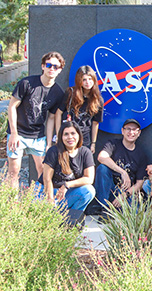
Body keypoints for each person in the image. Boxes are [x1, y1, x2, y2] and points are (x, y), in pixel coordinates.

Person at [6, 51, 65, 189]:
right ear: (43, 66)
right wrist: (14, 133)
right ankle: (13, 205)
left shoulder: (58, 92)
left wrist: (49, 143)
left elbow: (51, 118)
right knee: (14, 171)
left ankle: (40, 203)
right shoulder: (27, 83)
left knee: (43, 171)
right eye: (49, 65)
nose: (52, 69)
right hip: (18, 133)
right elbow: (12, 107)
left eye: (55, 67)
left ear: (60, 70)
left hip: (38, 136)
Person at [37, 121, 95, 211]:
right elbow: (47, 179)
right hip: (46, 190)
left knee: (89, 191)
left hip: (67, 192)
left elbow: (89, 178)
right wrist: (50, 199)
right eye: (66, 134)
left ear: (79, 135)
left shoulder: (85, 152)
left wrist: (67, 185)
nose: (70, 137)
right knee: (40, 215)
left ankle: (70, 219)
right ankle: (56, 215)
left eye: (73, 133)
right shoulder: (53, 151)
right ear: (61, 137)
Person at [94, 119, 148, 209]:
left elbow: (139, 183)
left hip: (126, 193)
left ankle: (114, 209)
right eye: (128, 129)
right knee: (102, 168)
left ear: (139, 133)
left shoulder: (141, 154)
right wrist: (123, 172)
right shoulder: (113, 144)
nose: (131, 132)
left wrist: (124, 195)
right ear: (122, 131)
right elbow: (101, 157)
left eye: (134, 130)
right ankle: (104, 209)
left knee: (134, 211)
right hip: (109, 189)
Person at [55, 65, 104, 154]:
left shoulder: (98, 100)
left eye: (90, 79)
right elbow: (58, 113)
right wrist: (59, 135)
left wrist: (93, 143)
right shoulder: (71, 93)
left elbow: (95, 123)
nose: (87, 82)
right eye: (84, 79)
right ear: (79, 81)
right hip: (68, 135)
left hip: (84, 138)